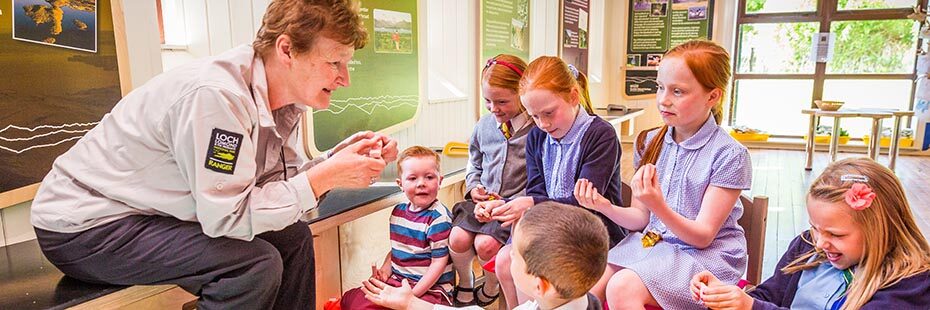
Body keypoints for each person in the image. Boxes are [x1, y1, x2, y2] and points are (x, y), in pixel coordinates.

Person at [29, 1, 398, 309]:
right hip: (84, 225)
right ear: (286, 49)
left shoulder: (283, 103)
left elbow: (273, 190)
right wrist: (327, 176)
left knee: (295, 238)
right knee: (254, 266)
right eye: (335, 62)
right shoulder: (217, 98)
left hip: (152, 213)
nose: (345, 78)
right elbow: (227, 217)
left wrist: (332, 162)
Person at [573, 40, 751, 309]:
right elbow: (641, 219)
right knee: (587, 290)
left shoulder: (729, 154)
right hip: (655, 247)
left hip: (705, 258)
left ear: (712, 96)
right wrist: (604, 206)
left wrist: (659, 206)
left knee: (622, 287)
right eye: (660, 87)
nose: (663, 99)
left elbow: (702, 236)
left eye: (678, 91)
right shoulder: (650, 141)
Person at [691, 157, 930, 310]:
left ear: (881, 228)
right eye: (815, 228)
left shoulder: (910, 283)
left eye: (836, 235)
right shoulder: (806, 247)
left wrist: (751, 307)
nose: (821, 242)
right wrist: (726, 297)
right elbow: (771, 294)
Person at [482, 56, 625, 309]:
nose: (543, 124)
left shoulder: (600, 134)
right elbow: (537, 191)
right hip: (552, 233)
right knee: (505, 259)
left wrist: (530, 202)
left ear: (572, 96)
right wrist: (504, 206)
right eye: (534, 116)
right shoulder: (537, 136)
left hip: (592, 236)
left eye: (549, 113)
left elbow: (586, 203)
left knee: (535, 272)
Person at [364, 201, 609, 310]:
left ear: (540, 285)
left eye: (515, 254)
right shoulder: (576, 299)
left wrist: (411, 304)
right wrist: (413, 303)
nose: (509, 254)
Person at [448, 54, 532, 307]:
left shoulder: (536, 130)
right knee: (457, 239)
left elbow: (539, 180)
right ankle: (466, 280)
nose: (494, 108)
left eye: (502, 101)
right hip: (482, 203)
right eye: (487, 101)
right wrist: (474, 187)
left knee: (485, 245)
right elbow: (473, 161)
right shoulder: (484, 126)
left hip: (511, 208)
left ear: (522, 93)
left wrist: (507, 205)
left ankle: (492, 283)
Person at [340, 146, 455, 309]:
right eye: (413, 178)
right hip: (398, 282)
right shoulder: (398, 213)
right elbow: (396, 251)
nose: (421, 183)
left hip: (431, 290)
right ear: (400, 184)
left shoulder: (438, 219)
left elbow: (438, 264)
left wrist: (410, 298)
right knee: (354, 299)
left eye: (429, 177)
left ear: (440, 181)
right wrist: (385, 272)